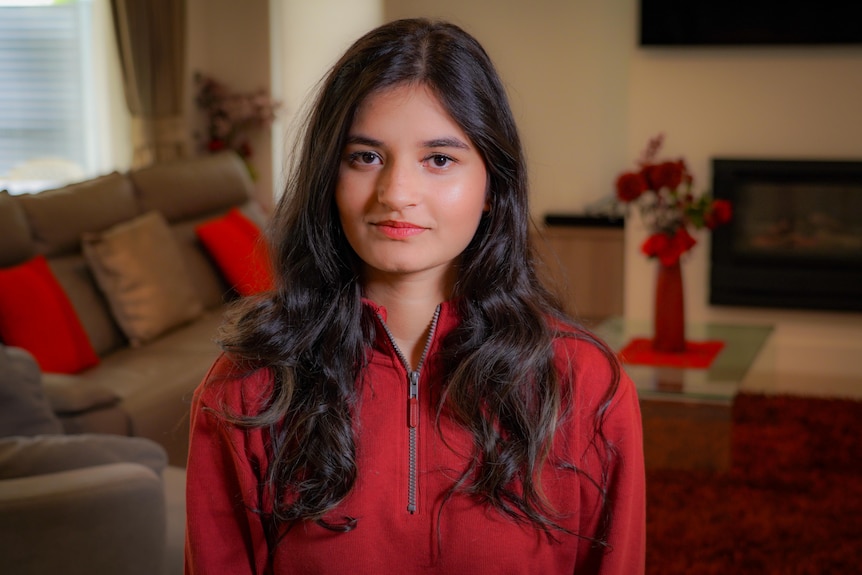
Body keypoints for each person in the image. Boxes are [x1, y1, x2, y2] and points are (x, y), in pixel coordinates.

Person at [185, 17, 645, 575]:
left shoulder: (586, 383)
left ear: (493, 188)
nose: (397, 193)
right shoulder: (247, 386)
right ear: (329, 178)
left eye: (440, 159)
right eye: (366, 157)